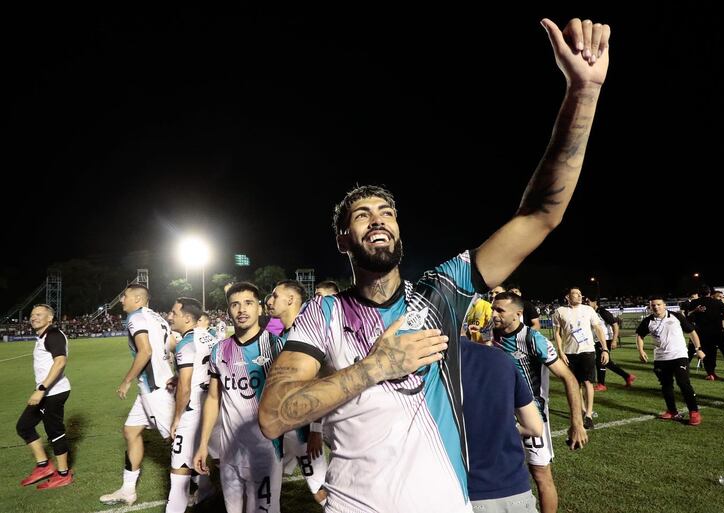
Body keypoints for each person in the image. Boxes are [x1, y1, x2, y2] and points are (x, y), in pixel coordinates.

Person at [258, 17, 611, 512]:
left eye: (387, 212)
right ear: (344, 239)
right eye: (363, 215)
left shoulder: (440, 292)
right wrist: (375, 367)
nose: (378, 220)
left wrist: (583, 92)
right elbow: (274, 417)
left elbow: (540, 216)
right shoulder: (325, 315)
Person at [490, 292, 586, 513]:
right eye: (493, 309)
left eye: (500, 310)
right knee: (497, 470)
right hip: (501, 415)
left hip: (532, 416)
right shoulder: (490, 335)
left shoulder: (533, 339)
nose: (494, 314)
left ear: (517, 314)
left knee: (541, 475)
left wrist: (577, 423)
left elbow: (569, 378)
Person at [193, 282, 284, 513]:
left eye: (248, 303)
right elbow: (213, 398)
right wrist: (203, 445)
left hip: (265, 453)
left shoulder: (276, 346)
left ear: (260, 309)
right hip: (230, 453)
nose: (241, 310)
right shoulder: (219, 350)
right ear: (228, 311)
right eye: (235, 305)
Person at [100, 285, 176, 506]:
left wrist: (126, 380)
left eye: (124, 296)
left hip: (155, 390)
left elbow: (145, 351)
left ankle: (204, 486)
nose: (121, 300)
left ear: (137, 299)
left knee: (176, 440)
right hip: (152, 388)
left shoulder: (135, 316)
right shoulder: (157, 317)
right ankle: (127, 490)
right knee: (131, 431)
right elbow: (171, 345)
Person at [461, 336, 543, 513]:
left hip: (463, 493)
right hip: (514, 491)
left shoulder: (421, 366)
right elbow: (534, 426)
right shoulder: (499, 358)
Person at [266, 280, 328, 504]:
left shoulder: (309, 332)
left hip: (306, 428)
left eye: (274, 295)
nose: (269, 301)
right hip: (284, 427)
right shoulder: (280, 333)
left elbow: (320, 383)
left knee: (321, 491)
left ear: (290, 300)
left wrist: (316, 430)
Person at [165, 298, 218, 513]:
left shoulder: (186, 342)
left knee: (179, 472)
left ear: (187, 318)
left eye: (173, 312)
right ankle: (206, 492)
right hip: (214, 407)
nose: (170, 316)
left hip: (194, 409)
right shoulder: (209, 337)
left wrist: (177, 418)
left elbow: (185, 388)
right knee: (206, 455)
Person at [16, 304, 73, 489]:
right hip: (46, 392)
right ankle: (44, 466)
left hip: (53, 392)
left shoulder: (53, 334)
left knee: (55, 432)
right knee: (24, 426)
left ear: (50, 318)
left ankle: (63, 474)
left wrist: (41, 389)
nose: (34, 317)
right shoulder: (43, 336)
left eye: (39, 314)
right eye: (32, 315)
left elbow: (60, 362)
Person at [636, 297, 703, 425]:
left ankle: (694, 412)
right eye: (653, 305)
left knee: (683, 383)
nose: (656, 307)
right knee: (666, 385)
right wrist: (641, 351)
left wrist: (698, 349)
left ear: (664, 305)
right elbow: (639, 335)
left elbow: (692, 332)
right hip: (660, 358)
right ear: (650, 307)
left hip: (679, 356)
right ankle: (672, 411)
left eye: (659, 304)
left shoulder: (676, 316)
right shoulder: (648, 321)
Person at [552, 287, 609, 428]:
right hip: (568, 353)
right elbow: (557, 333)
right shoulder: (560, 312)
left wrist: (605, 349)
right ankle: (582, 410)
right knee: (574, 384)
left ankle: (588, 414)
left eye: (580, 294)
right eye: (575, 294)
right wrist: (561, 352)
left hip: (587, 351)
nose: (578, 296)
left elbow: (598, 329)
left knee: (588, 382)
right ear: (567, 296)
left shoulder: (589, 310)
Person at [687, 285, 724, 381]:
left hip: (703, 333)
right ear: (710, 293)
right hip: (718, 331)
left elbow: (688, 315)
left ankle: (711, 374)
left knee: (708, 354)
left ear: (699, 293)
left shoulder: (694, 302)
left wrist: (695, 310)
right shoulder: (718, 302)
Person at [585, 297, 635, 391]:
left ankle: (601, 384)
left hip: (606, 339)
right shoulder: (591, 313)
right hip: (597, 340)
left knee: (601, 362)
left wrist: (614, 340)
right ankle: (627, 376)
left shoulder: (603, 312)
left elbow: (615, 325)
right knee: (607, 362)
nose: (586, 303)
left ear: (595, 302)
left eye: (588, 301)